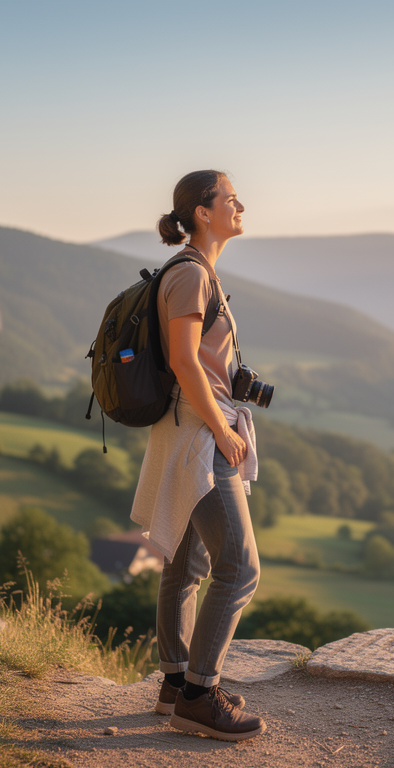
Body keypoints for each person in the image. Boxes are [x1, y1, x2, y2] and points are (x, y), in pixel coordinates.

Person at [129, 170, 265, 741]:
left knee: (186, 566)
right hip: (199, 437)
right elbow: (186, 362)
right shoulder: (190, 275)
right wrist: (223, 428)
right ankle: (201, 695)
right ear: (203, 213)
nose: (241, 205)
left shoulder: (196, 272)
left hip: (182, 429)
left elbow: (197, 360)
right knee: (239, 568)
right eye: (230, 198)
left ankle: (175, 682)